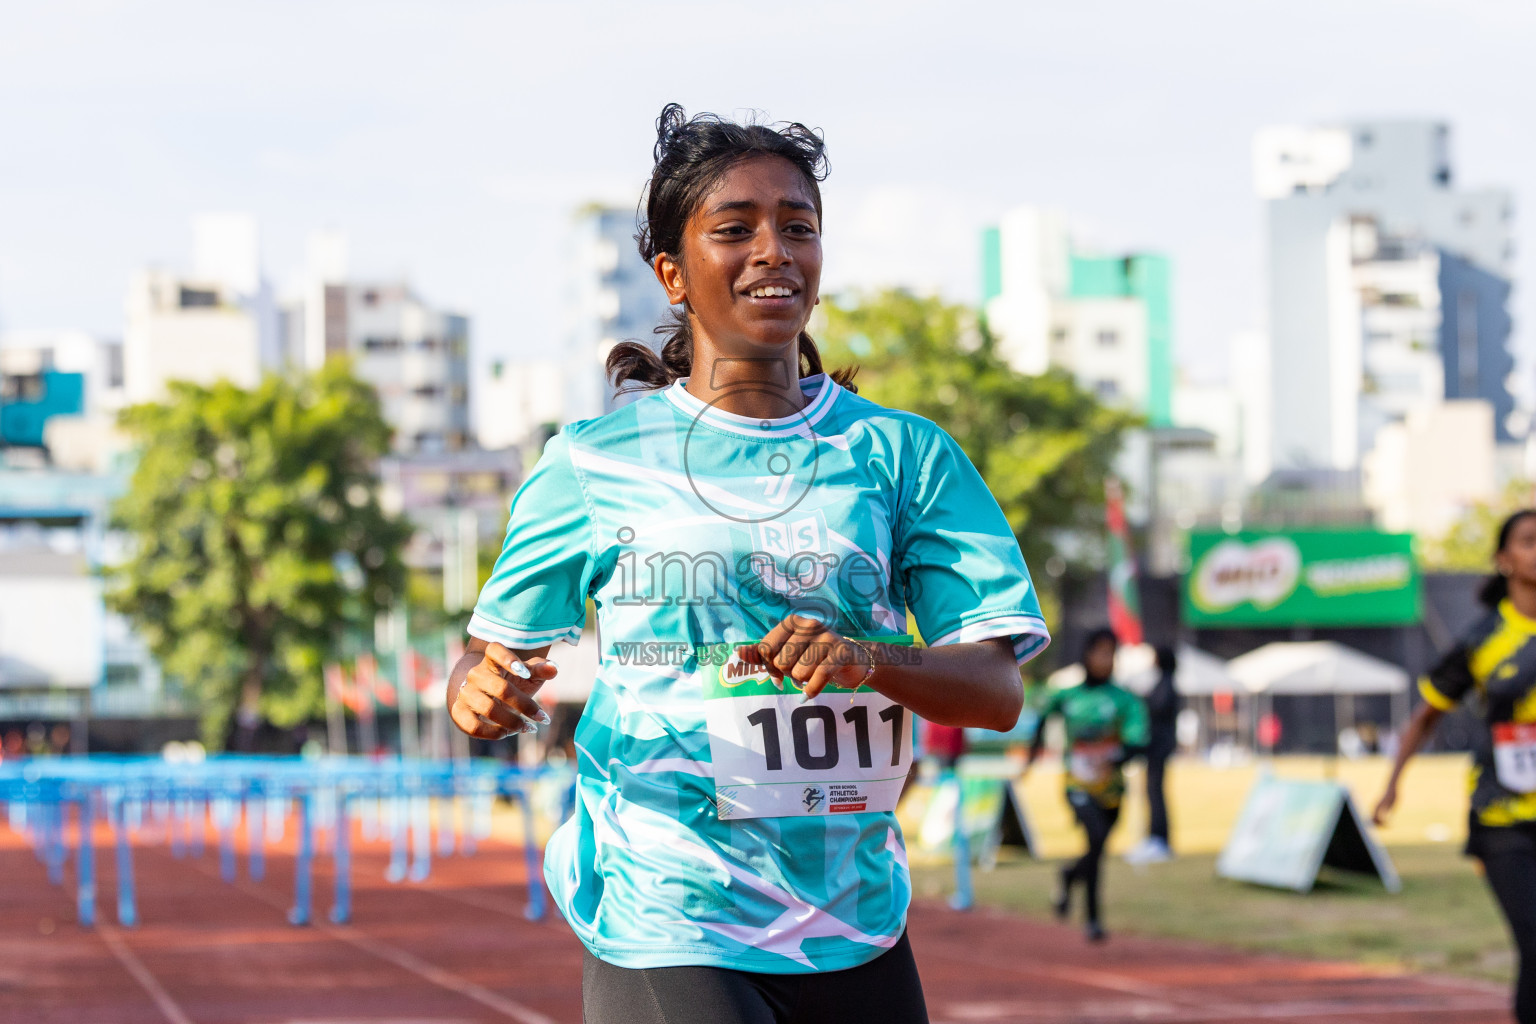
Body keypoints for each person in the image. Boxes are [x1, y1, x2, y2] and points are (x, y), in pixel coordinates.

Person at [446, 105, 1049, 1024]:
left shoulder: (904, 456)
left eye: (797, 227)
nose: (774, 250)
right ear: (673, 273)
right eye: (735, 230)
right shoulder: (592, 463)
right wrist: (474, 690)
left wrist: (870, 659)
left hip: (853, 918)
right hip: (668, 910)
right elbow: (482, 659)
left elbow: (997, 691)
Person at [1374, 509, 1536, 1024]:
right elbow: (1425, 719)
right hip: (1502, 816)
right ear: (1504, 560)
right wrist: (1391, 786)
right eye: (1530, 541)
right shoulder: (1481, 640)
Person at [1026, 628, 1147, 942]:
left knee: (1097, 850)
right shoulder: (1068, 696)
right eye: (1099, 651)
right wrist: (1030, 759)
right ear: (1086, 654)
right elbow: (1041, 718)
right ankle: (1093, 918)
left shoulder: (1125, 701)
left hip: (1113, 792)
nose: (1104, 659)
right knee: (1094, 840)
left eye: (1111, 653)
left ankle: (1069, 876)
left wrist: (1116, 757)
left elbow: (1137, 744)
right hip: (1076, 787)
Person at [1126, 644, 1177, 864]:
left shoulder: (1166, 684)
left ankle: (1159, 839)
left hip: (1159, 747)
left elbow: (1157, 707)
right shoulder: (1163, 682)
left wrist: (1138, 697)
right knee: (1152, 792)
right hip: (1156, 746)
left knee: (1155, 793)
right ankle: (1155, 838)